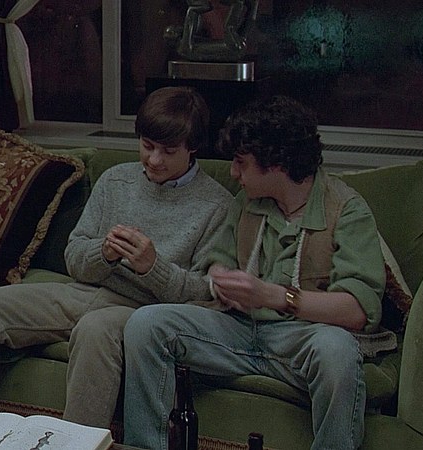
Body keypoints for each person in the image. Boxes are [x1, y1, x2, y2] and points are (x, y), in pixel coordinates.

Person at [0, 86, 233, 429]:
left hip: (145, 313)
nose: (154, 160)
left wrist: (154, 268)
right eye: (147, 145)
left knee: (94, 330)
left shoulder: (217, 205)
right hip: (84, 292)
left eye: (168, 151)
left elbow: (205, 297)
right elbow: (74, 258)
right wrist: (103, 252)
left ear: (193, 148)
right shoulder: (115, 181)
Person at [122, 95, 386, 450]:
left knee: (337, 352)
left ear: (276, 164)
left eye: (241, 163)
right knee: (146, 324)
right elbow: (215, 262)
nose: (233, 173)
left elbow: (357, 310)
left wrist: (273, 296)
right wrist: (223, 279)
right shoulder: (247, 202)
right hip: (238, 331)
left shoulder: (346, 210)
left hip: (304, 338)